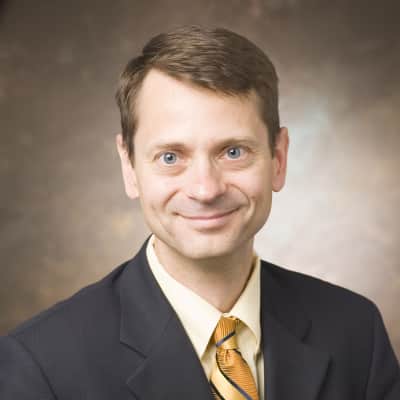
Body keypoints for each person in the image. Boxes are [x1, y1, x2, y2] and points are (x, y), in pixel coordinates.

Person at [0, 25, 399, 400]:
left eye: (233, 152)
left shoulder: (355, 332)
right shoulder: (41, 366)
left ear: (278, 159)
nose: (206, 190)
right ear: (129, 167)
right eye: (170, 157)